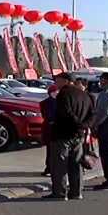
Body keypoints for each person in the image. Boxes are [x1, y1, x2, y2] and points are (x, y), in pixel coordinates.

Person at [43, 72, 95, 201]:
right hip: (79, 135)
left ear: (66, 81)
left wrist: (77, 124)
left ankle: (59, 193)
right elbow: (93, 114)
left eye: (58, 80)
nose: (55, 83)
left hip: (63, 134)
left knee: (59, 165)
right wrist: (84, 125)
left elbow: (66, 112)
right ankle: (76, 192)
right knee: (76, 164)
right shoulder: (85, 95)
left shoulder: (64, 94)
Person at [39, 84, 59, 177]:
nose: (56, 93)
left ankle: (50, 168)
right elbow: (46, 116)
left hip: (52, 128)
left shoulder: (59, 102)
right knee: (51, 150)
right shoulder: (45, 103)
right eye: (55, 92)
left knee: (52, 150)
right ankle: (50, 168)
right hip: (51, 129)